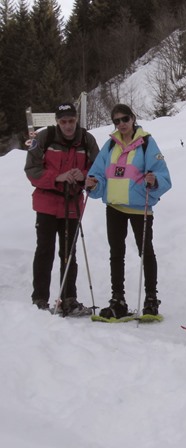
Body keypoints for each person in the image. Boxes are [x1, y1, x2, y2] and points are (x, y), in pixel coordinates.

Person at [85, 104, 171, 319]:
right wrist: (93, 184)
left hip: (139, 208)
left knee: (146, 252)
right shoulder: (110, 145)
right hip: (114, 207)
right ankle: (118, 299)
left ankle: (151, 299)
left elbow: (163, 175)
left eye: (124, 119)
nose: (121, 124)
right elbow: (98, 174)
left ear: (133, 118)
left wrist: (155, 180)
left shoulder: (147, 144)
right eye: (116, 121)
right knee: (116, 254)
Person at [25, 102, 99, 315]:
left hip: (73, 202)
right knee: (45, 250)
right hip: (47, 201)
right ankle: (39, 299)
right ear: (57, 121)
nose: (68, 125)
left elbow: (98, 169)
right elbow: (31, 170)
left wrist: (83, 175)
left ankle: (68, 299)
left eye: (72, 121)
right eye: (63, 121)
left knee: (69, 253)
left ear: (76, 120)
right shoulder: (44, 137)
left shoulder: (87, 139)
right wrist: (57, 177)